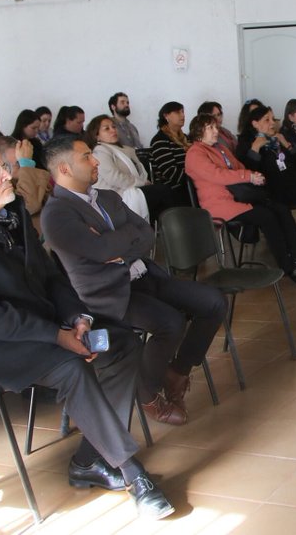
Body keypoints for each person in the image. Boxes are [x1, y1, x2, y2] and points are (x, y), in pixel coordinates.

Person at [0, 140, 174, 519]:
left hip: (37, 326)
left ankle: (90, 459)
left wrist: (76, 319)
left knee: (122, 342)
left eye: (6, 165)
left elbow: (50, 277)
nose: (8, 175)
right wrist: (56, 336)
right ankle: (132, 473)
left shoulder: (10, 211)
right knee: (70, 366)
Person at [40, 136, 226, 426]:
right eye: (87, 156)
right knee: (171, 322)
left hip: (143, 275)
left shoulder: (108, 197)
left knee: (213, 302)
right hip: (110, 295)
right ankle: (148, 394)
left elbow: (146, 233)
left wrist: (116, 247)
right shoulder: (56, 214)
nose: (96, 160)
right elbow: (101, 250)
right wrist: (119, 242)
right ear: (63, 168)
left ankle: (177, 372)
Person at [186, 113, 296, 285]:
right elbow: (218, 175)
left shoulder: (220, 148)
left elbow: (238, 167)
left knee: (280, 208)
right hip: (220, 204)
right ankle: (287, 266)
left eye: (215, 127)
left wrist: (254, 175)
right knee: (266, 216)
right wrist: (248, 176)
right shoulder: (195, 153)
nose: (216, 131)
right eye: (211, 128)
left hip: (239, 198)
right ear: (199, 131)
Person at [86, 116, 180, 221]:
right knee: (164, 191)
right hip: (118, 196)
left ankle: (167, 230)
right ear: (96, 136)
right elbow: (114, 178)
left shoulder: (127, 150)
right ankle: (178, 228)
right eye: (106, 128)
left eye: (113, 127)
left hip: (135, 189)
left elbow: (142, 172)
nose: (113, 130)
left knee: (164, 200)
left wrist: (144, 182)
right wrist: (142, 183)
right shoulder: (100, 151)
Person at [235, 104, 296, 212]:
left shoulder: (276, 138)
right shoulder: (246, 142)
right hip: (272, 191)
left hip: (292, 185)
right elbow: (248, 172)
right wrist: (255, 149)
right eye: (267, 120)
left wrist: (287, 145)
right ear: (255, 124)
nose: (272, 123)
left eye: (273, 119)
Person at [0, 136, 52, 235]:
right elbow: (29, 206)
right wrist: (26, 165)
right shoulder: (0, 188)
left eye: (24, 160)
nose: (22, 166)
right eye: (18, 163)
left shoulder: (36, 174)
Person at [149, 101, 190, 194]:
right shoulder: (159, 141)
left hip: (190, 184)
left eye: (183, 112)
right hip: (174, 189)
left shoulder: (186, 138)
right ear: (166, 116)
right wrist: (197, 176)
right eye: (177, 112)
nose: (182, 115)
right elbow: (170, 172)